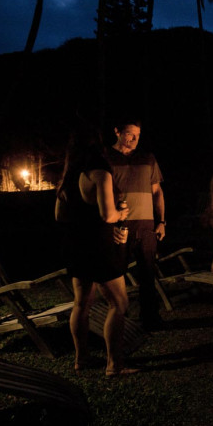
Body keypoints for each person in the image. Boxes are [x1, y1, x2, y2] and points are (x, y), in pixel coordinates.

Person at [55, 124, 138, 377]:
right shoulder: (100, 173)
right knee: (119, 302)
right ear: (98, 145)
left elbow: (59, 216)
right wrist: (121, 213)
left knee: (81, 303)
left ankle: (81, 359)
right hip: (100, 247)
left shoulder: (68, 176)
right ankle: (114, 365)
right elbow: (107, 214)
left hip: (77, 245)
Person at [106, 120, 166, 330]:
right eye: (130, 134)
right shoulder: (106, 158)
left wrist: (161, 221)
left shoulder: (147, 158)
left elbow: (157, 192)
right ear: (117, 131)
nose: (134, 139)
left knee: (148, 273)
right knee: (116, 273)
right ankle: (119, 317)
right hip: (119, 225)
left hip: (146, 224)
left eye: (138, 135)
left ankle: (150, 317)